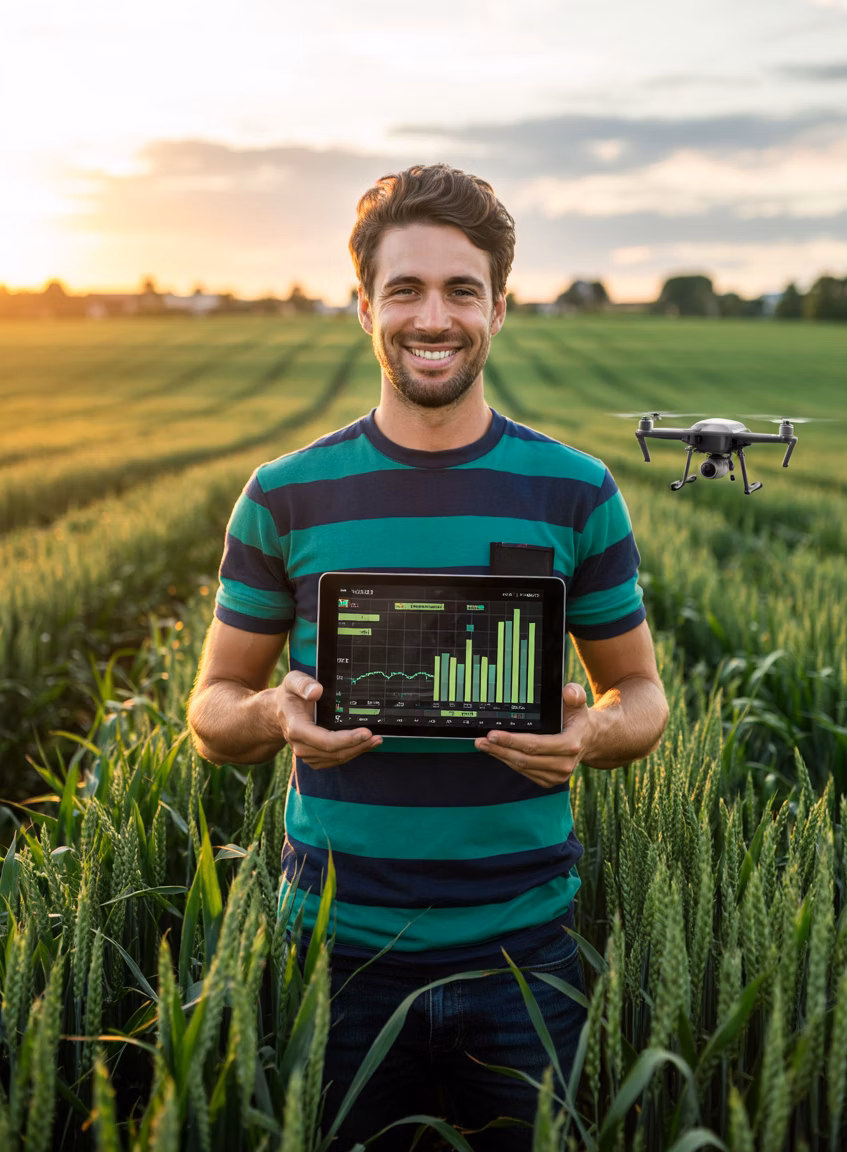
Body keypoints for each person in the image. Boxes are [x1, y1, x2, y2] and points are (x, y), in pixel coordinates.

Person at [187, 164, 668, 1150]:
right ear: (365, 306)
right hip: (336, 958)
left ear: (500, 307)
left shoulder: (577, 492)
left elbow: (642, 695)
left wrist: (588, 736)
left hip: (525, 960)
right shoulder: (284, 495)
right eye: (404, 289)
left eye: (461, 290)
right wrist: (274, 714)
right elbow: (212, 708)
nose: (433, 318)